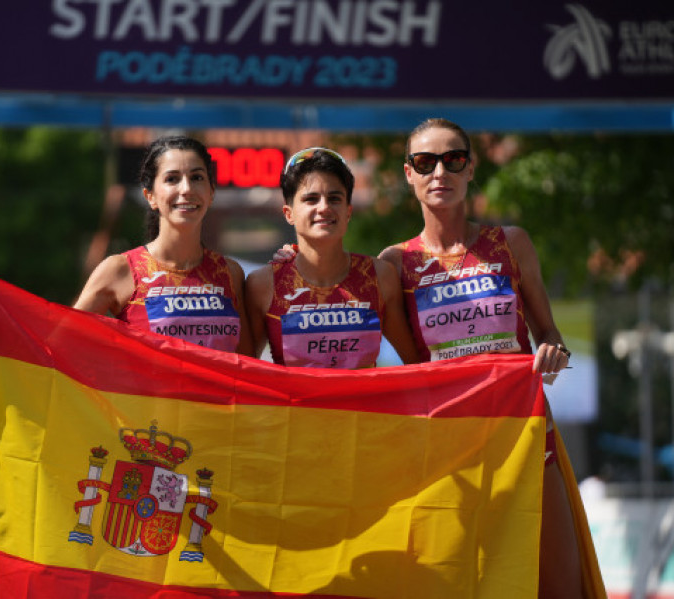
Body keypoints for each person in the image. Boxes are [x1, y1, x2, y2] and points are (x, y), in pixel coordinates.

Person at [377, 117, 584, 598]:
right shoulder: (394, 263)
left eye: (454, 160)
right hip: (450, 442)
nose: (440, 173)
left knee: (559, 584)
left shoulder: (511, 243)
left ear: (471, 169)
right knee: (461, 582)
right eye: (425, 162)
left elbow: (548, 331)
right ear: (408, 173)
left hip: (525, 430)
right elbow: (415, 367)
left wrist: (553, 349)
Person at [0, 135, 253, 356]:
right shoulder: (119, 270)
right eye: (172, 179)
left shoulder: (231, 274)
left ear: (211, 192)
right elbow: (54, 348)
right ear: (150, 196)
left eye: (197, 178)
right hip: (149, 437)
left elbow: (250, 367)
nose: (186, 189)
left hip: (215, 434)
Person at [245, 147, 420, 368]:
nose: (324, 208)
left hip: (361, 403)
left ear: (348, 211)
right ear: (289, 214)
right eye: (311, 199)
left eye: (334, 198)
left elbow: (416, 365)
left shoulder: (380, 276)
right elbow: (244, 372)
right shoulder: (263, 284)